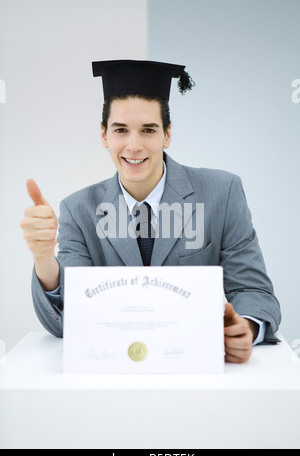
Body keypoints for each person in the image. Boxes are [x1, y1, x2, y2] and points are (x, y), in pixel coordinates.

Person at [20, 60, 281, 364]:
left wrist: (246, 328)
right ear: (104, 136)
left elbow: (256, 292)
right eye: (121, 130)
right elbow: (68, 320)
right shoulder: (78, 210)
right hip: (114, 377)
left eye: (148, 130)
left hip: (194, 372)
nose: (134, 146)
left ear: (166, 135)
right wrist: (43, 258)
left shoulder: (222, 194)